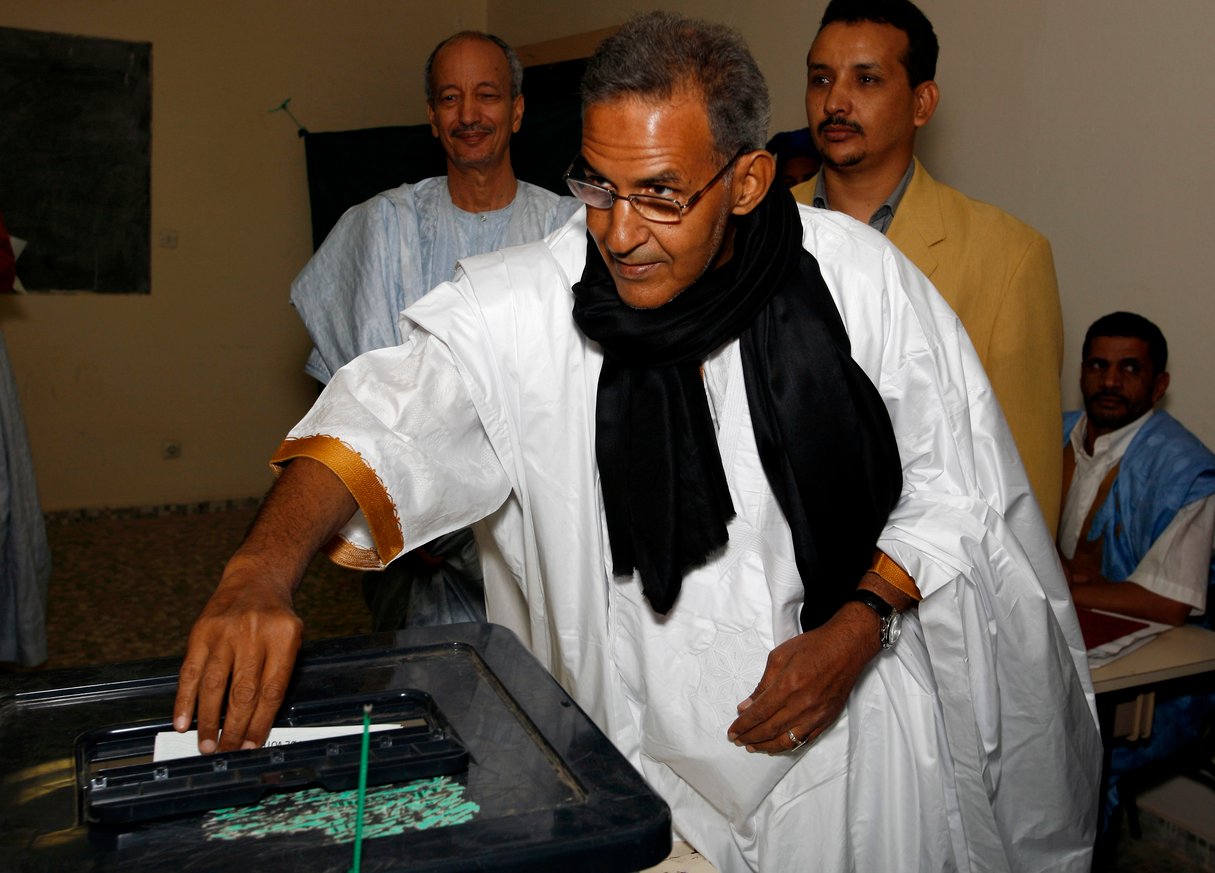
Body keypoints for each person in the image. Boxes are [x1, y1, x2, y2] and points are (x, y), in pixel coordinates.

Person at [176, 13, 1099, 872]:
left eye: (660, 194)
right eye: (596, 186)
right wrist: (259, 570)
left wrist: (860, 624)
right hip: (631, 761)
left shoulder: (860, 284)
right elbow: (376, 414)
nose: (618, 232)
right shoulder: (531, 304)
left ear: (744, 180)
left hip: (844, 756)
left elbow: (953, 483)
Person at [289, 31, 580, 629]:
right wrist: (398, 495)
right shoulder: (381, 228)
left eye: (487, 96)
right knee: (420, 684)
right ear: (431, 116)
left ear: (517, 110)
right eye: (450, 98)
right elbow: (350, 389)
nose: (469, 115)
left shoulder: (566, 232)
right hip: (409, 531)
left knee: (538, 691)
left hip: (534, 522)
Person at [793, 0, 1066, 533]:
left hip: (931, 589)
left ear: (922, 103)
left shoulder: (1008, 256)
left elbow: (1022, 496)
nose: (835, 101)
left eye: (866, 79)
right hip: (773, 587)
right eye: (820, 78)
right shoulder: (753, 231)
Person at [1059, 312, 1215, 830]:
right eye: (1098, 366)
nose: (1109, 381)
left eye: (1130, 368)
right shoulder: (1048, 434)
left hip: (1171, 681)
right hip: (1069, 644)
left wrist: (1058, 585)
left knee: (1074, 765)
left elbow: (1168, 604)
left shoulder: (1188, 470)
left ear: (1159, 383)